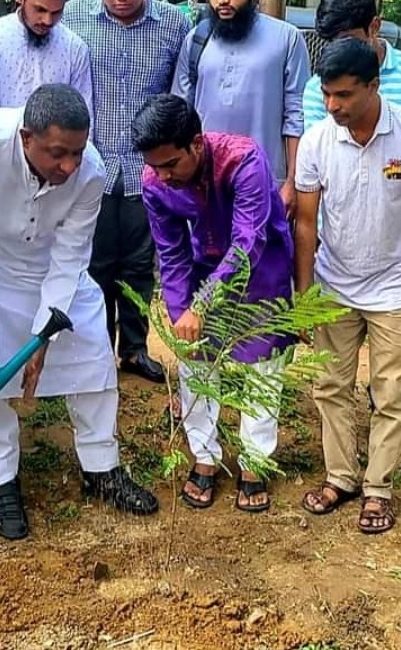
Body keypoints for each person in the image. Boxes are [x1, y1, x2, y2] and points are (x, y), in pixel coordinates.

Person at [0, 84, 160, 540]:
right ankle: (2, 481)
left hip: (52, 269)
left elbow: (72, 252)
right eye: (58, 153)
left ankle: (101, 469)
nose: (69, 165)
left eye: (77, 152)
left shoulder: (90, 170)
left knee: (94, 357)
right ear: (25, 138)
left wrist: (44, 334)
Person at [295, 38, 401, 534]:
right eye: (327, 94)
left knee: (391, 396)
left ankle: (378, 490)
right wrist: (304, 291)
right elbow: (305, 222)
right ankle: (340, 478)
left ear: (373, 87)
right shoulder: (318, 140)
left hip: (398, 291)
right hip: (334, 288)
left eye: (344, 95)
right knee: (330, 388)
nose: (333, 105)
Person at [135, 94, 294, 512]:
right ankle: (204, 455)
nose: (164, 176)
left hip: (262, 267)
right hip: (203, 263)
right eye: (155, 166)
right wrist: (180, 314)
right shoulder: (154, 183)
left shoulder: (243, 160)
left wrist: (201, 304)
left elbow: (248, 242)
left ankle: (254, 461)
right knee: (196, 358)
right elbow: (170, 254)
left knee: (262, 365)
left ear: (197, 144)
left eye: (171, 164)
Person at [63, 0, 190, 383]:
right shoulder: (74, 17)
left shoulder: (174, 24)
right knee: (94, 261)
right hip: (90, 166)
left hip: (147, 170)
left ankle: (134, 349)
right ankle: (95, 348)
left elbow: (181, 90)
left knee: (140, 263)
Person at [170, 0, 310, 219]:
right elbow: (179, 116)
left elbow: (297, 118)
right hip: (205, 186)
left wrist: (293, 184)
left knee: (261, 260)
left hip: (267, 185)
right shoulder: (196, 40)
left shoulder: (288, 39)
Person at [302, 0, 401, 131]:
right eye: (331, 41)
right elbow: (317, 150)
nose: (339, 49)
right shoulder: (317, 88)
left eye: (347, 40)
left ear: (374, 27)